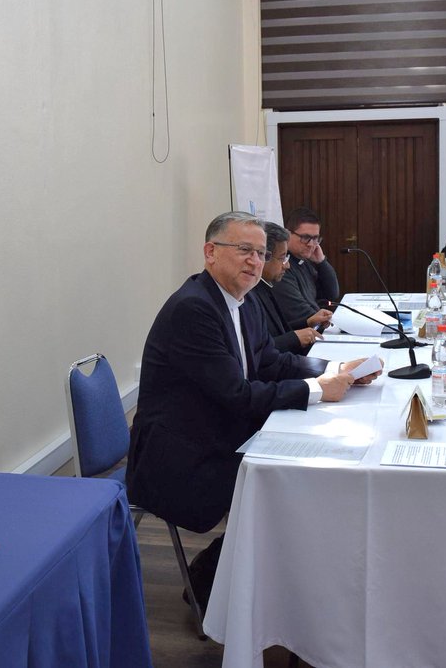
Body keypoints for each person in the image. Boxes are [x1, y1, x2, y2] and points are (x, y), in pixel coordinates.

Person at [126, 211, 380, 611]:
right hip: (180, 454)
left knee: (307, 471)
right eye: (243, 250)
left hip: (217, 429)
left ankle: (263, 587)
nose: (254, 261)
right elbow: (237, 395)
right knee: (292, 485)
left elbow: (270, 363)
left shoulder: (244, 301)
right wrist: (317, 389)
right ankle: (212, 585)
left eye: (261, 253)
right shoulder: (194, 309)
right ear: (210, 252)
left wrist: (335, 371)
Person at [249, 222, 332, 353]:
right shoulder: (249, 294)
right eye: (282, 258)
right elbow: (257, 351)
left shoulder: (265, 285)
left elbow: (277, 331)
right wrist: (294, 338)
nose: (287, 266)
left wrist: (307, 322)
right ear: (264, 257)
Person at [272, 207, 340, 324]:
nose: (311, 244)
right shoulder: (281, 266)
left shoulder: (305, 261)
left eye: (315, 238)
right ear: (287, 234)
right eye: (305, 238)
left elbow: (332, 294)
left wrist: (322, 262)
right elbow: (301, 313)